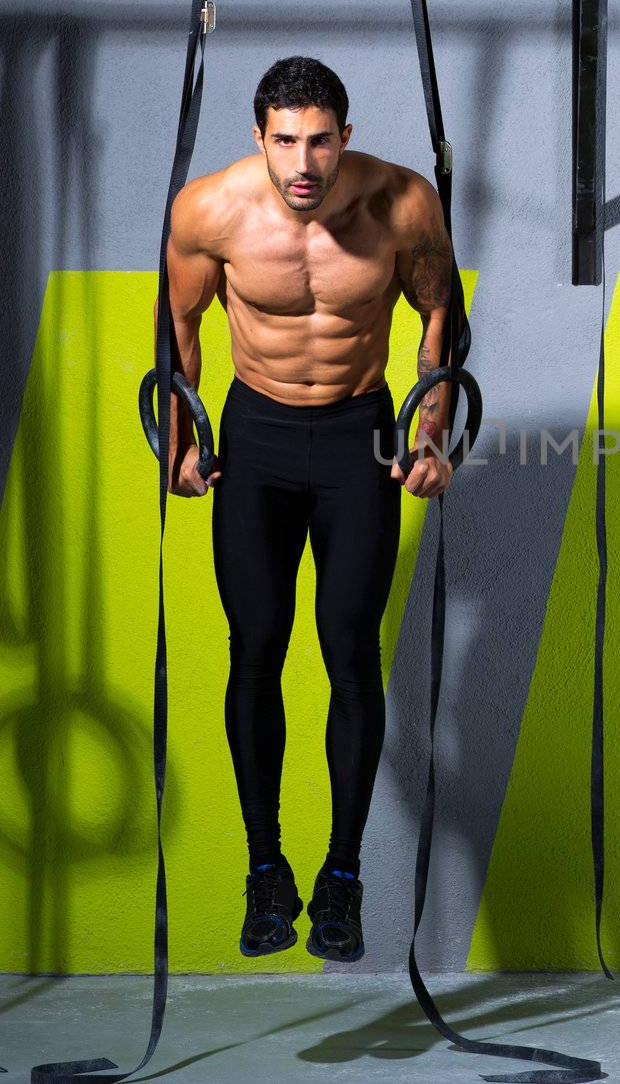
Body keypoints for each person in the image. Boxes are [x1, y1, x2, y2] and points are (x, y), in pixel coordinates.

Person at [163, 55, 457, 960]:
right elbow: (178, 328)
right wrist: (180, 435)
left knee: (351, 653)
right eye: (285, 140)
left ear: (346, 137)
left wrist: (431, 428)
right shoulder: (208, 211)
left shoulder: (403, 204)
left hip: (358, 439)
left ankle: (342, 875)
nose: (304, 161)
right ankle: (265, 870)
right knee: (253, 649)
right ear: (259, 138)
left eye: (320, 140)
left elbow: (440, 317)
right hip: (255, 439)